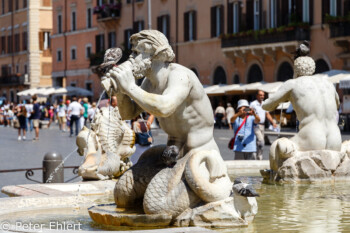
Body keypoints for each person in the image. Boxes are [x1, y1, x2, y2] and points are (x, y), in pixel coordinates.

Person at [102, 30, 231, 203]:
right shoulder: (149, 83)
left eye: (136, 53)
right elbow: (128, 113)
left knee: (156, 206)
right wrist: (122, 91)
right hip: (171, 154)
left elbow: (165, 107)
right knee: (122, 195)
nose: (131, 58)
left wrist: (131, 87)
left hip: (198, 153)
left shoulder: (179, 75)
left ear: (156, 54)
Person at [250, 90, 277, 160]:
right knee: (261, 141)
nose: (262, 96)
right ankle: (257, 156)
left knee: (259, 143)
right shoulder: (253, 104)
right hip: (255, 125)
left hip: (263, 126)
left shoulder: (264, 104)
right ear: (257, 96)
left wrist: (273, 122)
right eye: (260, 95)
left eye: (263, 95)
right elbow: (248, 112)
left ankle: (258, 156)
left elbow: (267, 114)